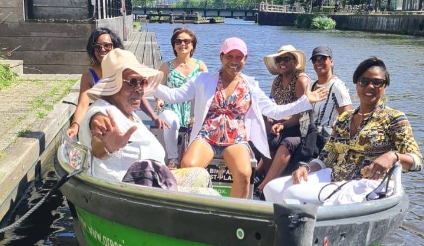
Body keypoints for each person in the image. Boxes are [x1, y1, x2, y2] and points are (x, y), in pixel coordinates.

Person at [154, 38, 328, 198]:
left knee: (245, 174)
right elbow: (175, 95)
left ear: (245, 59)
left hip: (236, 139)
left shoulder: (250, 85)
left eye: (239, 57)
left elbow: (274, 111)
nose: (234, 61)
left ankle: (231, 217)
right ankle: (199, 208)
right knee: (188, 165)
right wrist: (149, 84)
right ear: (221, 57)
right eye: (230, 56)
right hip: (207, 136)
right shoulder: (203, 79)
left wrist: (306, 101)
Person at [264, 57, 422, 203]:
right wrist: (307, 168)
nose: (370, 86)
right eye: (364, 81)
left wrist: (393, 156)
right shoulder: (344, 119)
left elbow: (417, 160)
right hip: (335, 178)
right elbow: (326, 157)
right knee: (272, 188)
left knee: (294, 195)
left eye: (377, 82)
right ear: (357, 84)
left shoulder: (393, 118)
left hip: (366, 184)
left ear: (384, 87)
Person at [79, 48, 165, 182]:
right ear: (113, 85)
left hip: (154, 180)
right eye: (132, 82)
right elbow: (97, 147)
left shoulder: (125, 109)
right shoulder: (102, 114)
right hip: (131, 191)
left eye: (142, 82)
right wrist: (107, 148)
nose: (140, 89)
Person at [67, 28, 165, 140]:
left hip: (128, 117)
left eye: (107, 45)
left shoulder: (125, 71)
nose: (102, 50)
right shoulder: (89, 75)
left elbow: (138, 95)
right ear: (92, 50)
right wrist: (75, 125)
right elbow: (83, 104)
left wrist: (154, 117)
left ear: (114, 46)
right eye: (97, 47)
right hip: (106, 121)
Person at [256, 45, 310, 192]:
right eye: (279, 59)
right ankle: (262, 174)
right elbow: (271, 103)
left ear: (294, 61)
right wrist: (270, 118)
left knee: (283, 142)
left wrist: (283, 124)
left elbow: (303, 112)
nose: (282, 62)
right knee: (264, 136)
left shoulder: (300, 81)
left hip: (298, 128)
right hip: (279, 123)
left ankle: (265, 185)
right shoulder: (277, 81)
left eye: (286, 59)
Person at [155, 27, 208, 168]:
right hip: (171, 107)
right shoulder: (166, 66)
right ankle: (173, 158)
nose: (182, 44)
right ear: (174, 45)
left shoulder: (200, 66)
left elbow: (207, 92)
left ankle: (193, 160)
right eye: (178, 41)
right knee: (170, 121)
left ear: (192, 45)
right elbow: (159, 90)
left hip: (193, 110)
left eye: (186, 41)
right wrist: (159, 100)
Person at [309, 45, 352, 152]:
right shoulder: (312, 85)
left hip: (325, 140)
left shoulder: (337, 86)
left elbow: (348, 118)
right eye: (315, 60)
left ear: (331, 61)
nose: (318, 62)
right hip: (311, 136)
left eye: (323, 59)